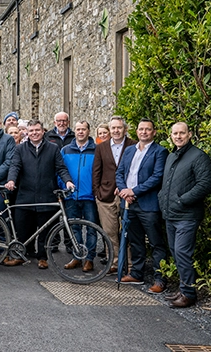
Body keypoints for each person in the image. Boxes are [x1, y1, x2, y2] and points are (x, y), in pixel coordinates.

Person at [5, 119, 74, 269]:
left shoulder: (53, 148)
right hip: (25, 195)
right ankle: (23, 255)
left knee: (45, 230)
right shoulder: (20, 149)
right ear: (27, 133)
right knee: (23, 228)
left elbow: (61, 168)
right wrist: (11, 180)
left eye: (37, 130)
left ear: (43, 131)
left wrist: (68, 181)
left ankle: (42, 257)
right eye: (31, 131)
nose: (34, 133)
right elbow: (15, 166)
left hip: (46, 194)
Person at [159, 122, 211, 308]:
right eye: (175, 133)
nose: (178, 136)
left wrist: (183, 200)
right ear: (171, 136)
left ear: (190, 134)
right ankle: (183, 288)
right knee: (176, 252)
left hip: (187, 215)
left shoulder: (198, 156)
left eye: (182, 133)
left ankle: (189, 294)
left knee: (182, 252)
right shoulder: (172, 156)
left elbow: (205, 184)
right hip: (171, 215)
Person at [115, 119, 168, 292]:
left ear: (154, 132)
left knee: (155, 243)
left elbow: (157, 177)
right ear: (136, 131)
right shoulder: (129, 150)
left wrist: (134, 191)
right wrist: (124, 191)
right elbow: (120, 172)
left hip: (148, 205)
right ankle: (137, 274)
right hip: (129, 204)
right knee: (135, 241)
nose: (144, 132)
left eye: (148, 129)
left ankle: (160, 279)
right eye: (141, 129)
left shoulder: (160, 151)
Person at [92, 116, 136, 273]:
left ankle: (130, 265)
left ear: (125, 129)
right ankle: (115, 263)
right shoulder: (101, 147)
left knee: (128, 231)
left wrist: (127, 188)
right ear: (109, 130)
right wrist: (97, 192)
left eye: (119, 128)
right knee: (110, 232)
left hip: (127, 196)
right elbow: (96, 171)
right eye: (113, 128)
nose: (116, 131)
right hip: (106, 195)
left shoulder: (133, 145)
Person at [60, 121, 98, 272]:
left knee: (91, 229)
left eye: (83, 129)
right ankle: (77, 256)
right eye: (78, 129)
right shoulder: (66, 150)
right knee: (74, 228)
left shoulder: (97, 150)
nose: (80, 132)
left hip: (89, 196)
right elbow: (60, 170)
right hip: (71, 196)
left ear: (89, 131)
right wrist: (64, 187)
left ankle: (89, 259)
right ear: (74, 131)